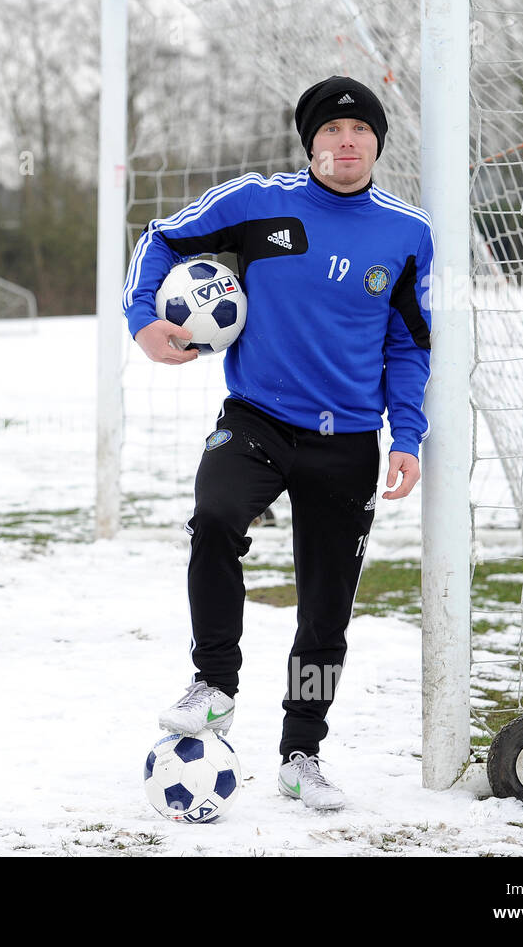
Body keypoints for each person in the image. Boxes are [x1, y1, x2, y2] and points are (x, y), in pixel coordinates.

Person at [122, 76, 433, 811]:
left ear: (378, 143)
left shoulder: (407, 233)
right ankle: (215, 685)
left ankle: (302, 753)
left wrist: (407, 435)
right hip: (257, 419)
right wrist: (144, 320)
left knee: (326, 612)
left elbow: (411, 345)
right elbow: (159, 239)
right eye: (331, 131)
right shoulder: (257, 204)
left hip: (349, 440)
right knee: (215, 517)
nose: (345, 142)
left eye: (359, 130)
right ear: (311, 143)